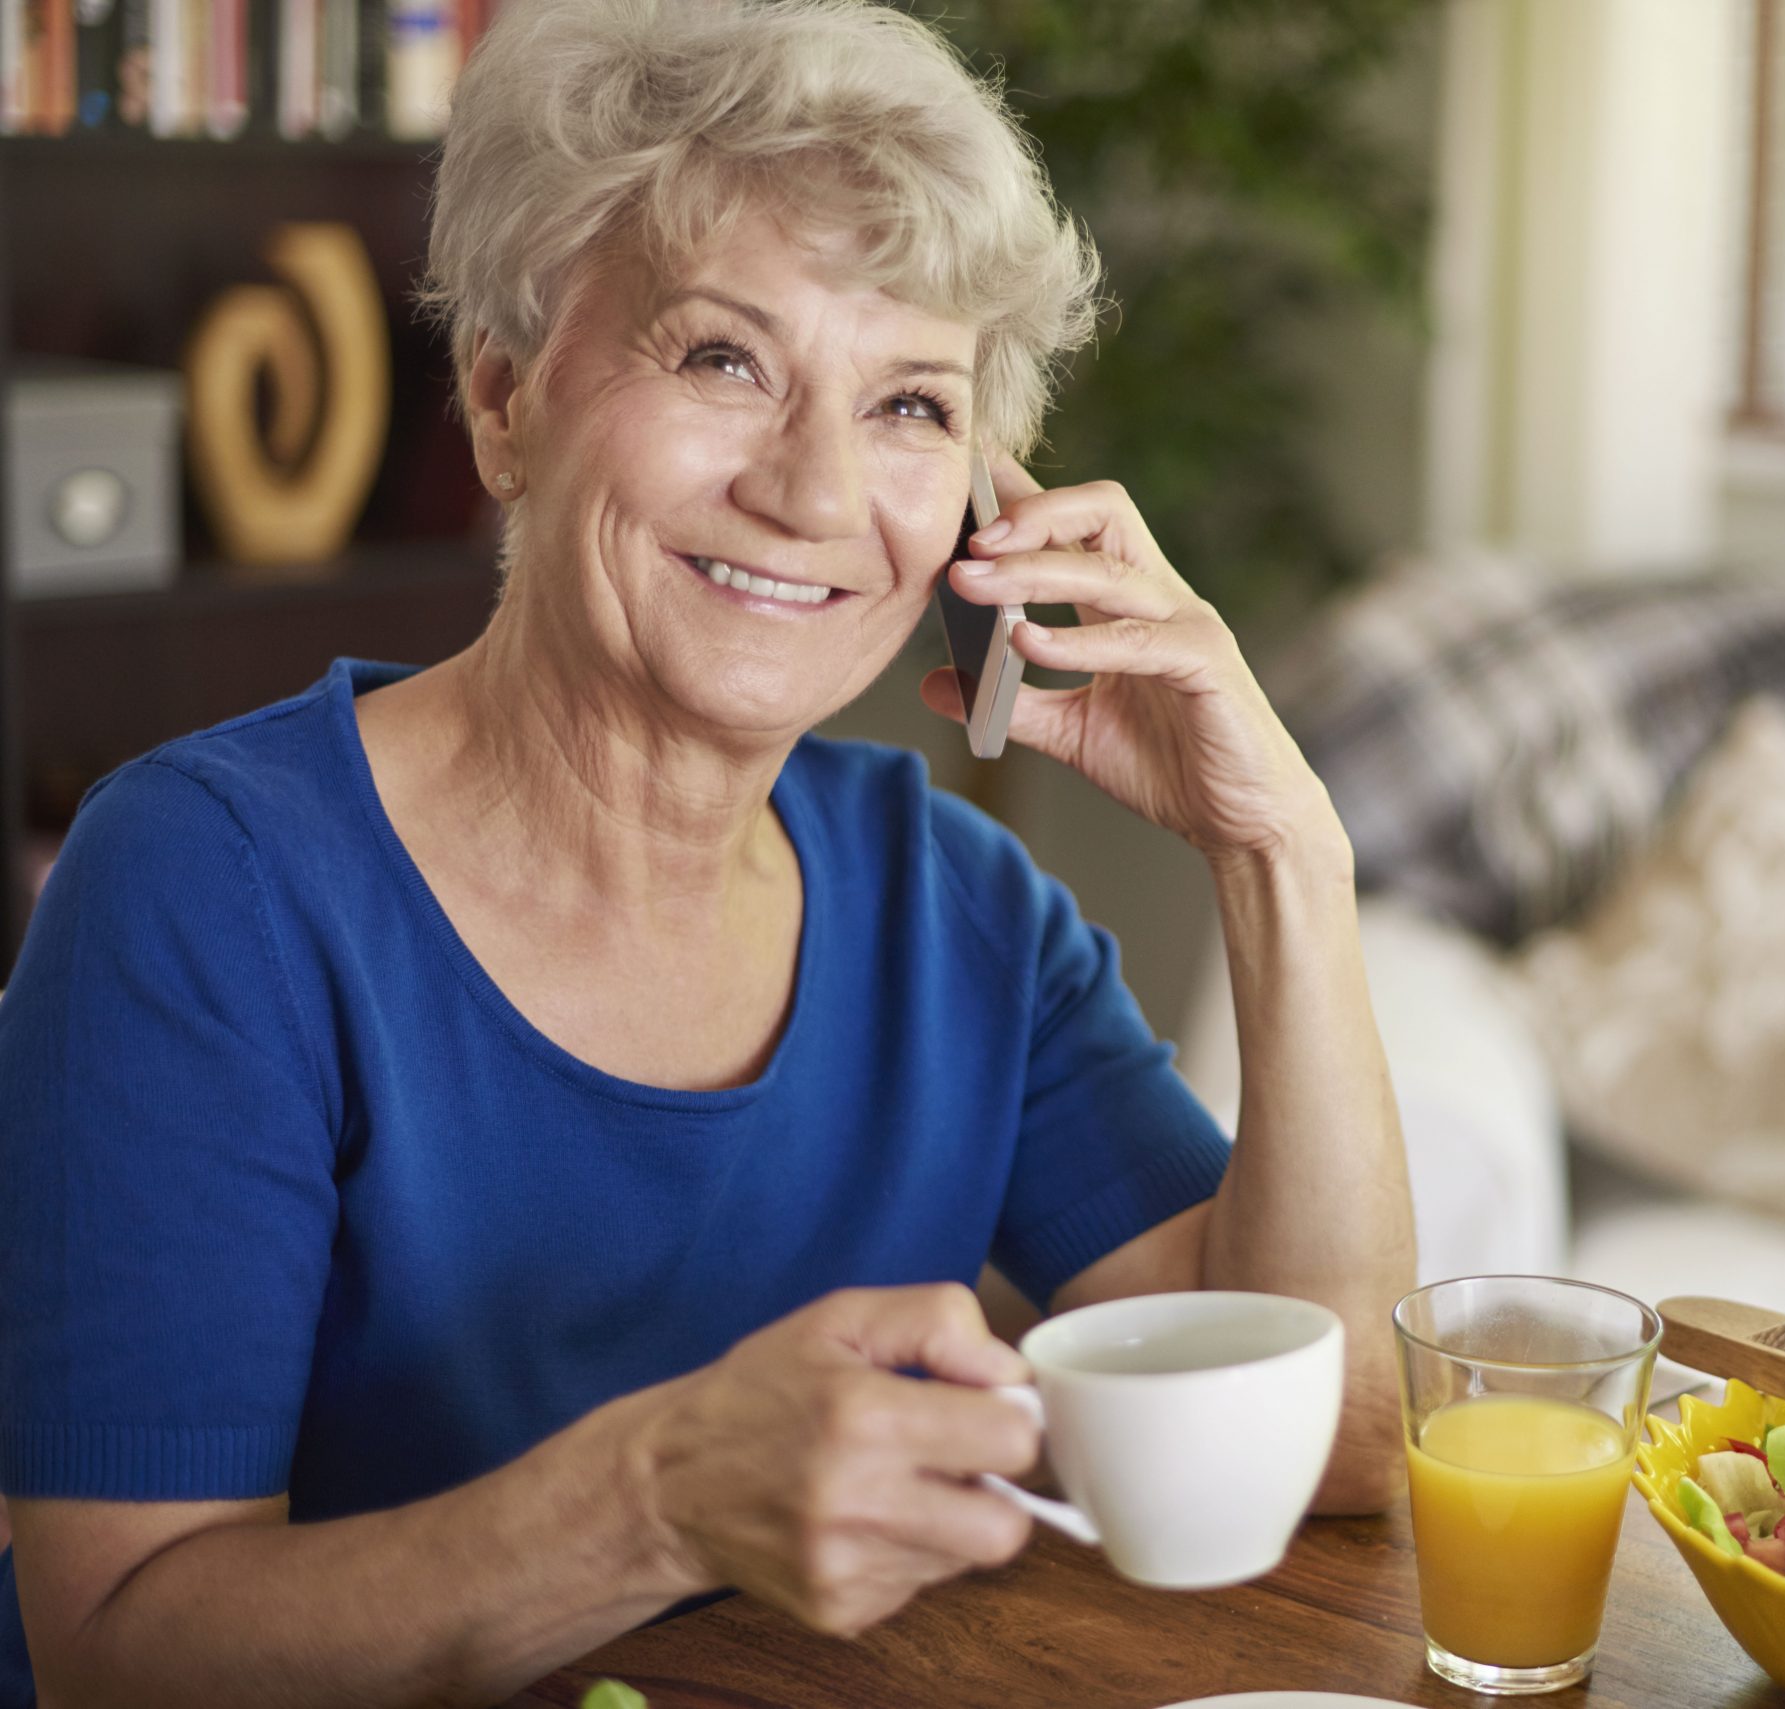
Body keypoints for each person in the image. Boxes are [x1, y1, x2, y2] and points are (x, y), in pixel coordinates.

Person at [0, 1, 1414, 1702]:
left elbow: (1325, 1428)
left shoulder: (958, 912)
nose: (817, 492)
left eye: (908, 404)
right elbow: (115, 1654)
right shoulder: (207, 885)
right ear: (506, 402)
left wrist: (1283, 853)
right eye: (722, 358)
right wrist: (658, 1499)